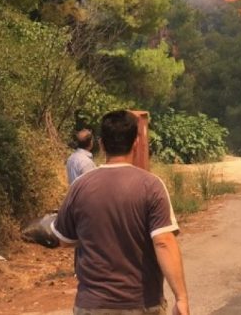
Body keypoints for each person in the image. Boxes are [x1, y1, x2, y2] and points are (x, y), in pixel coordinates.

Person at [52, 111, 190, 315]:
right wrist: (181, 298)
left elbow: (64, 239)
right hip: (141, 303)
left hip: (92, 305)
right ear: (135, 142)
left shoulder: (80, 187)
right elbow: (163, 241)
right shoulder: (151, 186)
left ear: (101, 143)